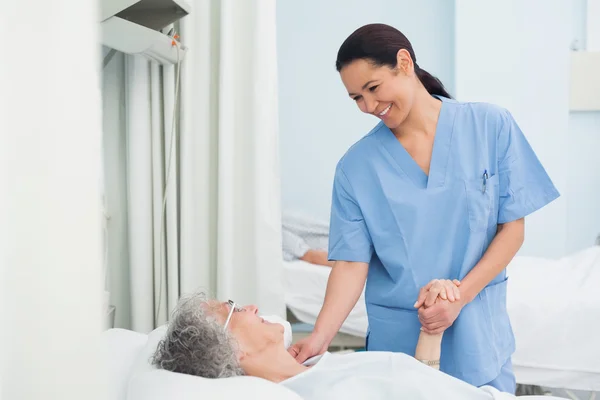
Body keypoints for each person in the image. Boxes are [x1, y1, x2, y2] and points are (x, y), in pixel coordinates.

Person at [288, 23, 560, 394]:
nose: (368, 106)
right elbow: (351, 264)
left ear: (404, 62)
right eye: (356, 98)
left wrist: (459, 299)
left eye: (372, 88)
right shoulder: (356, 168)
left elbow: (511, 230)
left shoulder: (489, 126)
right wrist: (319, 338)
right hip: (400, 346)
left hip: (479, 338)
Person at [151, 288, 556, 400]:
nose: (252, 305)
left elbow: (421, 387)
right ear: (233, 350)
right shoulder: (325, 391)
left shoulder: (319, 369)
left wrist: (431, 333)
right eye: (235, 308)